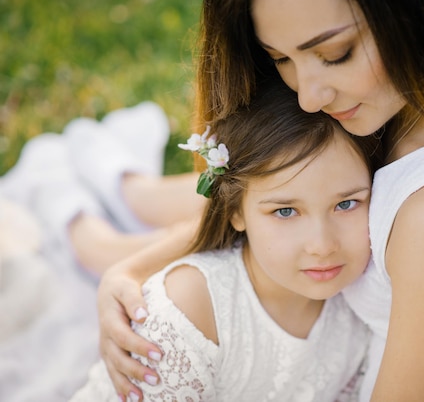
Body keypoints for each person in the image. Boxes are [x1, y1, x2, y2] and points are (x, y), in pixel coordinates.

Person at [97, 0, 424, 401]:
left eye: (335, 54)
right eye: (280, 59)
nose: (308, 95)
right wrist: (131, 269)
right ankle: (116, 202)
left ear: (418, 9)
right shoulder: (414, 106)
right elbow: (267, 193)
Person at [71, 80, 374, 401]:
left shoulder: (366, 297)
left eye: (345, 204)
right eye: (285, 211)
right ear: (236, 212)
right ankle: (80, 205)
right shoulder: (190, 312)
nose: (322, 245)